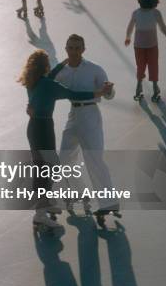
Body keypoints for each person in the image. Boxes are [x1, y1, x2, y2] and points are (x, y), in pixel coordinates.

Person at [18, 49, 110, 228]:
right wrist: (98, 93)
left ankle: (48, 204)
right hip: (43, 129)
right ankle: (40, 214)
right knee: (46, 169)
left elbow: (50, 77)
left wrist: (62, 64)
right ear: (45, 66)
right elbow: (74, 95)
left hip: (34, 127)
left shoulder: (33, 81)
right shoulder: (48, 85)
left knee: (45, 166)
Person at [47, 34, 118, 212]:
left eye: (77, 48)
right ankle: (79, 192)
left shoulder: (95, 69)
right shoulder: (62, 71)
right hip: (73, 116)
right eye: (70, 48)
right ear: (66, 49)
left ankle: (109, 203)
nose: (74, 51)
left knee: (94, 159)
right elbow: (47, 83)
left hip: (90, 115)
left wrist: (109, 91)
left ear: (83, 50)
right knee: (64, 158)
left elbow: (108, 94)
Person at [125, 0, 166, 102]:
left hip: (139, 46)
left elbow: (130, 27)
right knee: (153, 66)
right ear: (153, 2)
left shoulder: (136, 13)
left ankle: (139, 85)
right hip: (151, 45)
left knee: (140, 66)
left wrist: (128, 37)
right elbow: (162, 27)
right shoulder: (155, 13)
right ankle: (155, 87)